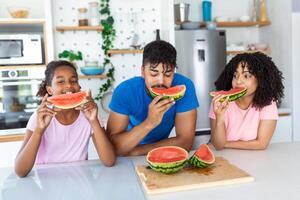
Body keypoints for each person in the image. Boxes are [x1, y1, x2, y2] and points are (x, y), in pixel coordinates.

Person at [15, 60, 115, 177]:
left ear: (79, 86)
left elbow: (109, 161)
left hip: (81, 183)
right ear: (49, 90)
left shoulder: (89, 114)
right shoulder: (39, 117)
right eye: (61, 81)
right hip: (48, 183)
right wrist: (39, 130)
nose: (68, 85)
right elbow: (20, 171)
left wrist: (94, 121)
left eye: (73, 80)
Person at [107, 40, 199, 156]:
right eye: (154, 74)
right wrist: (150, 122)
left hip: (137, 152)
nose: (161, 81)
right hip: (127, 152)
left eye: (168, 74)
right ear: (142, 71)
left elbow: (185, 142)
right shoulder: (125, 91)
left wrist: (138, 151)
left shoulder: (185, 87)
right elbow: (113, 148)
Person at [209, 52, 284, 150]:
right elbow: (218, 146)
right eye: (235, 75)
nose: (238, 81)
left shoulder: (268, 103)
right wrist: (219, 118)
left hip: (255, 160)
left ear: (261, 80)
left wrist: (225, 144)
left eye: (246, 76)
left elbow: (261, 144)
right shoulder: (219, 102)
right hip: (224, 158)